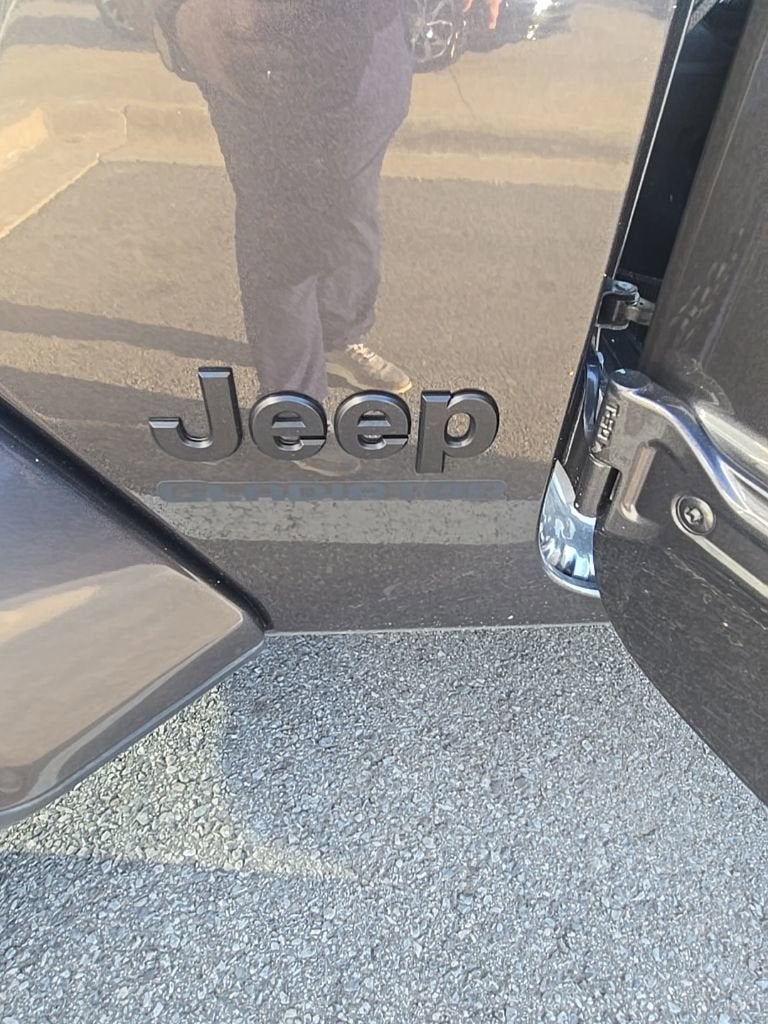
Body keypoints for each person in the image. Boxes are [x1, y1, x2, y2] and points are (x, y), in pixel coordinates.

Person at [151, 0, 501, 474]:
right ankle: (292, 413)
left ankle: (339, 334)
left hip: (371, 34)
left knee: (351, 206)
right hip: (260, 29)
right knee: (280, 227)